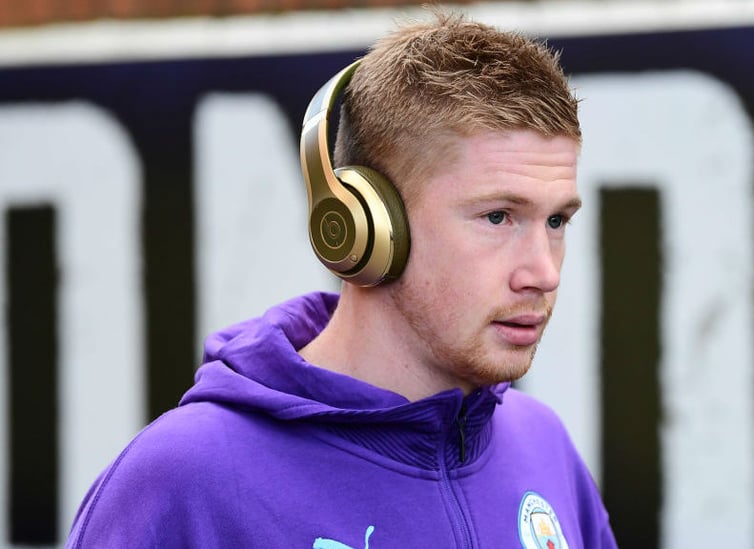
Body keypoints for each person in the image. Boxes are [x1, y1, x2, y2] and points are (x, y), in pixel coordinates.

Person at [66, 11, 616, 549]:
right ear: (364, 226)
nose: (544, 272)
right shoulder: (185, 480)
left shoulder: (543, 446)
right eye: (498, 217)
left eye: (557, 221)